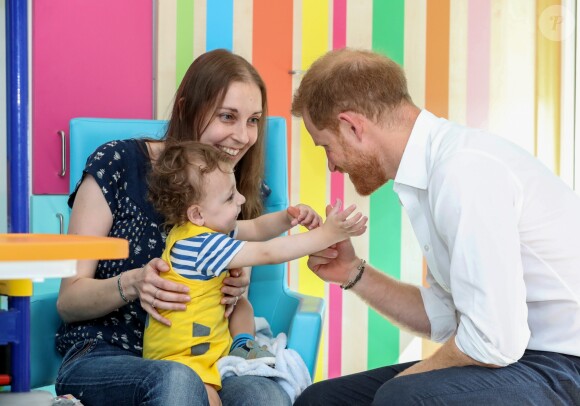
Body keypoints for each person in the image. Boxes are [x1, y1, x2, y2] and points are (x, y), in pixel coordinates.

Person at [291, 48, 580, 405]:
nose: (332, 166)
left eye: (327, 147)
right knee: (322, 401)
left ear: (352, 126)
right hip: (524, 356)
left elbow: (493, 340)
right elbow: (446, 315)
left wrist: (394, 391)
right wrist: (352, 272)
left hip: (566, 363)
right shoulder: (429, 174)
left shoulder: (462, 170)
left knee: (400, 399)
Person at [56, 49, 292, 406]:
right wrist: (132, 283)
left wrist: (236, 286)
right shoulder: (118, 165)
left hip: (207, 358)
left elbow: (231, 287)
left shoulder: (234, 188)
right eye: (227, 117)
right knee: (177, 383)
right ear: (185, 108)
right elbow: (69, 300)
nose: (243, 136)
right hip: (105, 354)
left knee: (265, 396)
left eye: (253, 120)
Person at [144, 141, 367, 405]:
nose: (240, 199)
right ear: (197, 214)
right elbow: (267, 252)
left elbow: (257, 228)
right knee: (208, 399)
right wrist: (326, 235)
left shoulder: (203, 230)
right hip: (184, 358)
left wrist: (287, 217)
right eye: (229, 197)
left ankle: (243, 345)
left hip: (207, 342)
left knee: (242, 306)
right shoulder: (201, 245)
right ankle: (237, 349)